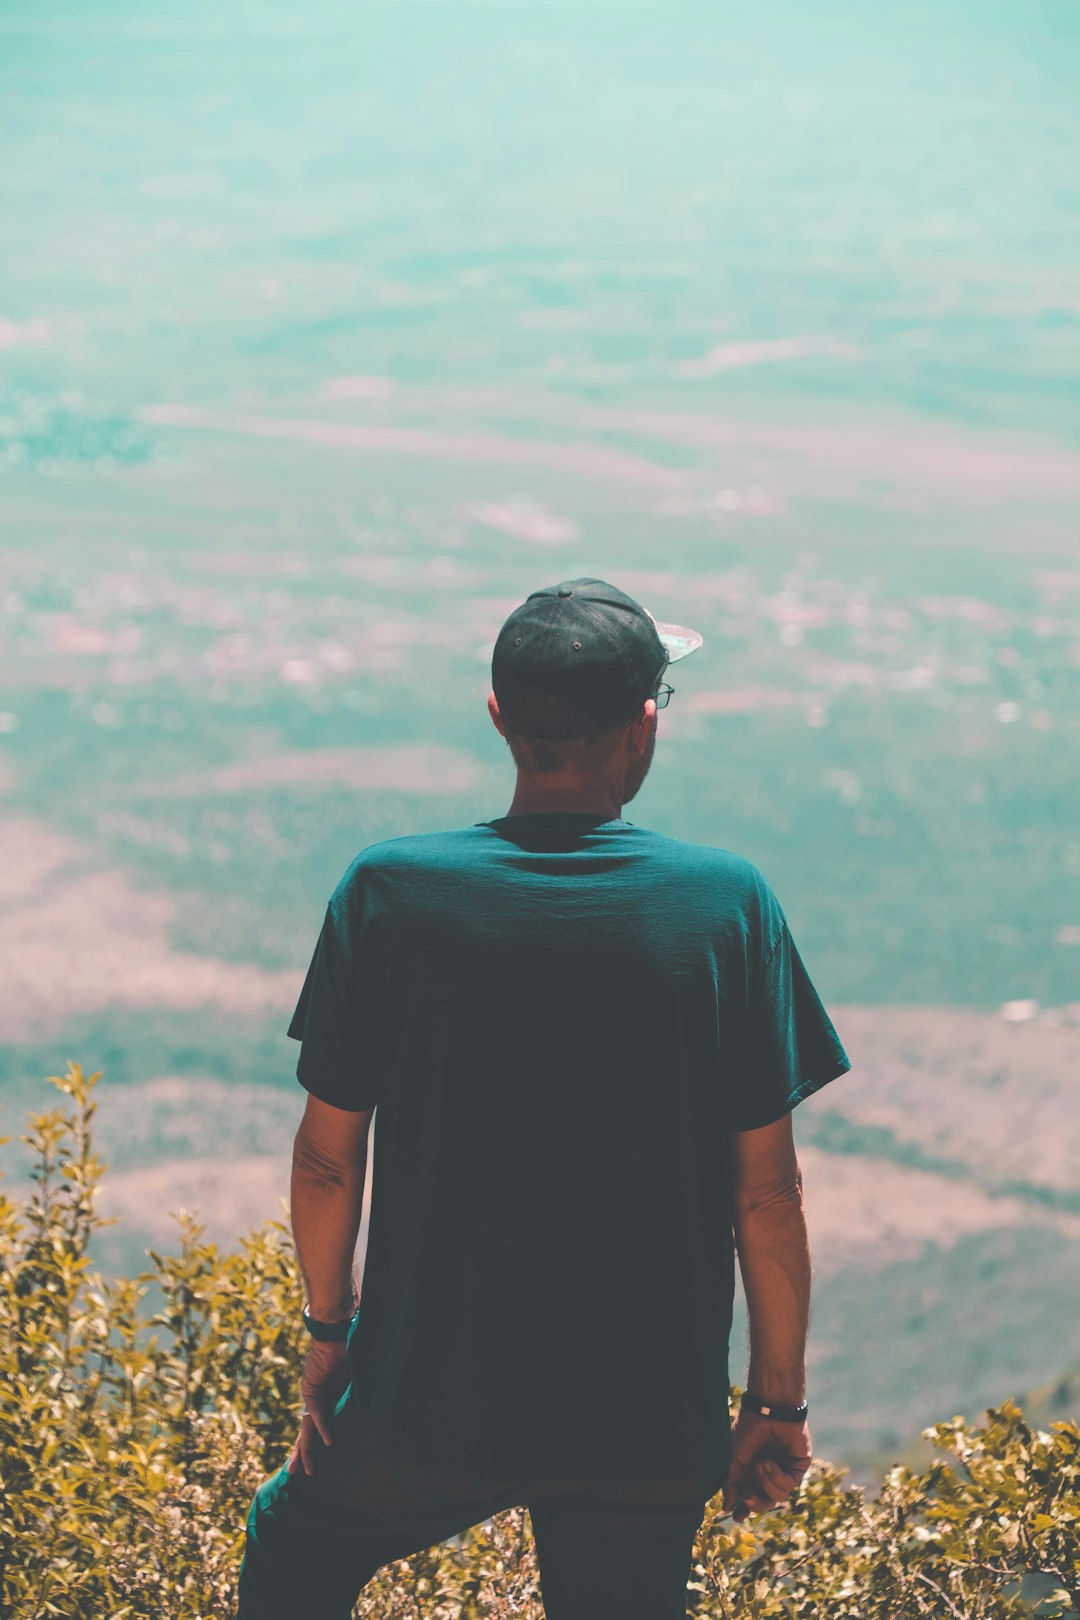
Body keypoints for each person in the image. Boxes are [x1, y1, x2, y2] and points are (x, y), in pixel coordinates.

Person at [236, 576, 852, 1619]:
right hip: (644, 1425)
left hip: (421, 1407)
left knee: (290, 1549)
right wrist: (776, 1403)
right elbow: (770, 1196)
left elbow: (328, 1158)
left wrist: (330, 1336)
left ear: (497, 718)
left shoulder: (389, 893)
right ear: (645, 724)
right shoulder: (725, 906)